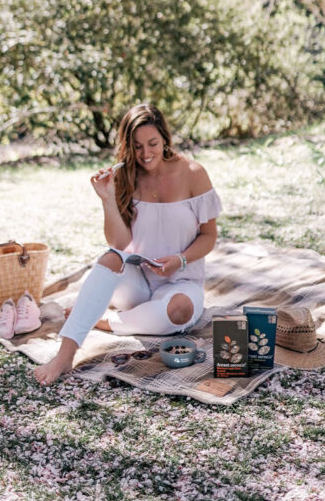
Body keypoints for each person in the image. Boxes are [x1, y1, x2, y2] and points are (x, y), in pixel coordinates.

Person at [33, 102, 222, 385]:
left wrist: (180, 260)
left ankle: (107, 321)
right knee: (110, 258)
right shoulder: (125, 175)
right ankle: (66, 354)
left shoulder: (193, 173)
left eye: (152, 143)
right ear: (128, 146)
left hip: (181, 283)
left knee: (181, 310)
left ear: (165, 138)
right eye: (137, 146)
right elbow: (120, 243)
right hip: (137, 283)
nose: (146, 154)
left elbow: (209, 236)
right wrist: (107, 198)